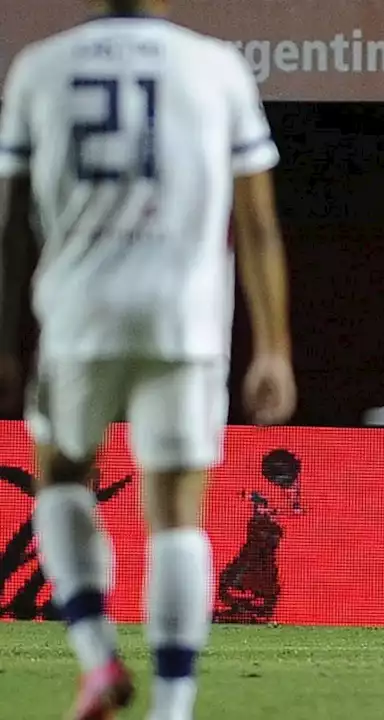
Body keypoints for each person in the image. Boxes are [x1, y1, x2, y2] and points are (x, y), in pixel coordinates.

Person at [0, 1, 295, 718]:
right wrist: (275, 349)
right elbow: (256, 227)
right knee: (177, 514)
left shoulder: (40, 67)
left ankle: (99, 656)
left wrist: (7, 343)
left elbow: (9, 227)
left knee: (63, 474)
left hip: (77, 318)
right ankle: (172, 705)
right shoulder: (217, 67)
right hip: (186, 323)